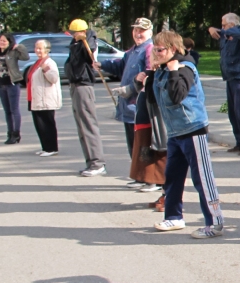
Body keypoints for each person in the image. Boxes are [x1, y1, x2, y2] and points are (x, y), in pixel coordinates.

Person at [149, 31, 224, 238]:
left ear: (173, 49)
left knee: (202, 178)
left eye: (160, 49)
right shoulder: (163, 69)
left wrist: (173, 72)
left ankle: (215, 222)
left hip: (193, 129)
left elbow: (176, 97)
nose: (156, 52)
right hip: (175, 132)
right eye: (154, 49)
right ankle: (173, 217)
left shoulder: (185, 68)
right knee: (172, 177)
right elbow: (153, 99)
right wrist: (150, 74)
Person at [95, 17, 154, 160]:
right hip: (129, 108)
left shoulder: (150, 49)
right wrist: (103, 65)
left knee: (143, 145)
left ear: (150, 32)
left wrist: (131, 88)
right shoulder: (132, 51)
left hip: (141, 107)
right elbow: (120, 67)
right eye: (136, 30)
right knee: (133, 145)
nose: (138, 33)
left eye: (142, 31)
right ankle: (137, 176)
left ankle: (147, 177)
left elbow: (150, 73)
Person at [64, 19, 107, 177]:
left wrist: (84, 38)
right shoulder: (75, 43)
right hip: (75, 85)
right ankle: (90, 161)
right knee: (81, 125)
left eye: (76, 32)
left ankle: (97, 162)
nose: (74, 35)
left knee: (88, 124)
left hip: (84, 85)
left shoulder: (89, 40)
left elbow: (90, 52)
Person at [208, 13, 240, 154]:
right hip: (230, 76)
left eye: (224, 24)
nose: (221, 28)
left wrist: (225, 31)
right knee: (232, 112)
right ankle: (239, 141)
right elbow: (214, 31)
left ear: (232, 24)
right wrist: (211, 28)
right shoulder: (225, 35)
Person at [126, 64, 167, 199]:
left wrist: (148, 82)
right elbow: (141, 90)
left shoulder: (162, 74)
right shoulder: (150, 72)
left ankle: (155, 181)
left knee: (152, 152)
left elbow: (154, 95)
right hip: (142, 120)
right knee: (142, 152)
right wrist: (138, 81)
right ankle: (143, 178)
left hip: (153, 121)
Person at [0, 31, 29, 144]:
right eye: (0, 40)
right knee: (7, 111)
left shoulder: (13, 52)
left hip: (12, 83)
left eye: (4, 41)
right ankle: (10, 133)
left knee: (14, 110)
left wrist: (19, 46)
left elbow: (25, 57)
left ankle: (16, 133)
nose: (2, 42)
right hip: (1, 84)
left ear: (9, 42)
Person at [26, 39, 61, 156]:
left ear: (47, 49)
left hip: (46, 99)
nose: (37, 50)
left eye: (40, 48)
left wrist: (46, 69)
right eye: (36, 48)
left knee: (47, 124)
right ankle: (45, 147)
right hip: (35, 98)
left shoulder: (50, 63)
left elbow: (54, 78)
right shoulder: (38, 62)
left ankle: (52, 148)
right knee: (39, 124)